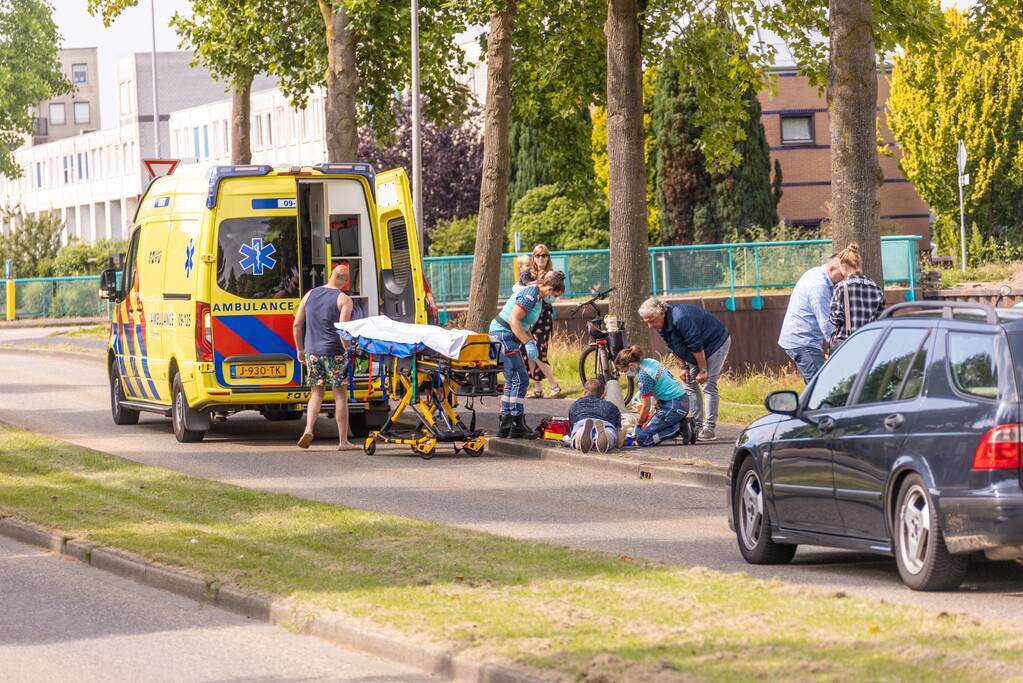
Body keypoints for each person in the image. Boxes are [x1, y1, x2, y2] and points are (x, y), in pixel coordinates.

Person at [638, 298, 730, 442]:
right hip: (696, 350)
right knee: (688, 383)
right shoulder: (660, 324)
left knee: (708, 384)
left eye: (652, 320)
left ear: (662, 313)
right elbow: (671, 345)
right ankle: (697, 425)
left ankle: (709, 429)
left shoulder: (680, 318)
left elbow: (696, 345)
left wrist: (703, 370)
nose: (650, 326)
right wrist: (683, 367)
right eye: (646, 322)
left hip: (714, 344)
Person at [489, 270, 567, 439]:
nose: (554, 299)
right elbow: (514, 320)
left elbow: (525, 324)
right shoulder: (531, 295)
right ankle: (516, 424)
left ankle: (506, 424)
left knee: (512, 379)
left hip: (506, 334)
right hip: (503, 334)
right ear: (549, 288)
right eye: (555, 295)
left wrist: (532, 341)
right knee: (521, 378)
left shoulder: (538, 298)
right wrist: (528, 343)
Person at [293, 264, 355, 450]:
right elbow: (343, 332)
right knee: (340, 396)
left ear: (330, 275)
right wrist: (350, 350)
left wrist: (300, 349)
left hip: (313, 352)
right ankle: (343, 441)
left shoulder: (310, 294)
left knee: (316, 393)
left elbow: (297, 325)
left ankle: (308, 429)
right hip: (334, 352)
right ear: (345, 282)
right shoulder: (344, 299)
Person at [777, 253, 845, 382]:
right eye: (842, 275)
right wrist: (843, 345)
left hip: (800, 338)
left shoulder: (815, 272)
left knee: (816, 385)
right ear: (831, 269)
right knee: (820, 387)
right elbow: (826, 324)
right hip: (803, 340)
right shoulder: (819, 286)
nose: (844, 279)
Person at [614, 346, 689, 447]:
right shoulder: (649, 361)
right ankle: (677, 424)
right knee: (650, 429)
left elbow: (646, 407)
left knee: (642, 438)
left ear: (631, 365)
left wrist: (639, 425)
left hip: (673, 406)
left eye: (624, 370)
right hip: (680, 400)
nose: (624, 373)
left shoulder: (643, 376)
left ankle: (679, 427)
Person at [518, 244, 562, 398]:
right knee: (527, 350)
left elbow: (553, 295)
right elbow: (518, 287)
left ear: (548, 257)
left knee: (538, 351)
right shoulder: (529, 273)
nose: (541, 258)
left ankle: (554, 385)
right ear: (533, 257)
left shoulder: (551, 275)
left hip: (542, 317)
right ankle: (537, 388)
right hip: (528, 315)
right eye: (537, 256)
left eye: (544, 255)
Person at [829, 243, 885, 348]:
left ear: (843, 266)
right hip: (869, 344)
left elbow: (836, 318)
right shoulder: (876, 288)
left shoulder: (841, 288)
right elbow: (881, 318)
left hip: (846, 343)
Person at [568, 378, 625, 453]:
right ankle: (606, 437)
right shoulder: (611, 407)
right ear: (603, 395)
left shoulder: (575, 405)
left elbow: (571, 429)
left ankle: (581, 433)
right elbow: (619, 442)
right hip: (604, 423)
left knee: (576, 436)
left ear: (584, 392)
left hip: (582, 422)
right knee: (610, 433)